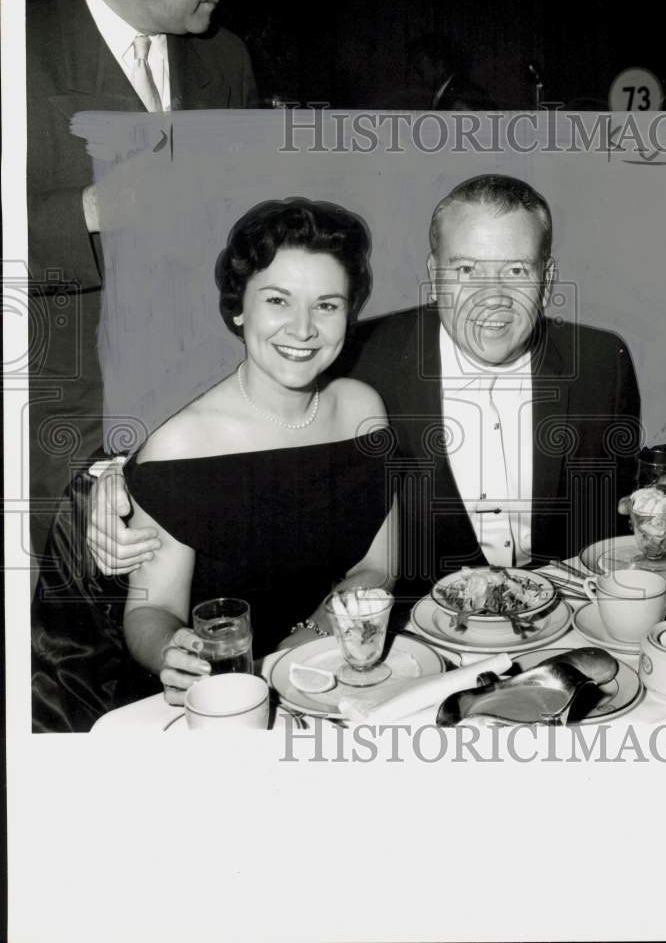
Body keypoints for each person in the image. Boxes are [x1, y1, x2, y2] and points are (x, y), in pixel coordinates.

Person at [91, 175, 666, 604]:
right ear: (433, 275)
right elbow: (245, 413)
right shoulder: (358, 354)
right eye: (466, 270)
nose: (492, 296)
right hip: (411, 646)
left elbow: (627, 508)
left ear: (548, 277)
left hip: (569, 628)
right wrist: (103, 485)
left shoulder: (602, 360)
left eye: (516, 270)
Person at [32, 198, 397, 721]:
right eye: (277, 300)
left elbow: (379, 567)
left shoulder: (365, 410)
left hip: (329, 674)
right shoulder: (182, 443)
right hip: (215, 704)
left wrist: (300, 646)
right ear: (238, 308)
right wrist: (171, 651)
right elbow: (150, 610)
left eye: (327, 304)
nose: (302, 328)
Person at [27, 0, 258, 567]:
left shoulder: (225, 56)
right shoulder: (19, 41)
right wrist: (91, 210)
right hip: (63, 439)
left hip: (211, 418)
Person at [407, 32, 495, 110]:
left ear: (440, 65)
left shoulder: (466, 95)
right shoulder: (445, 95)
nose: (416, 77)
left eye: (420, 70)